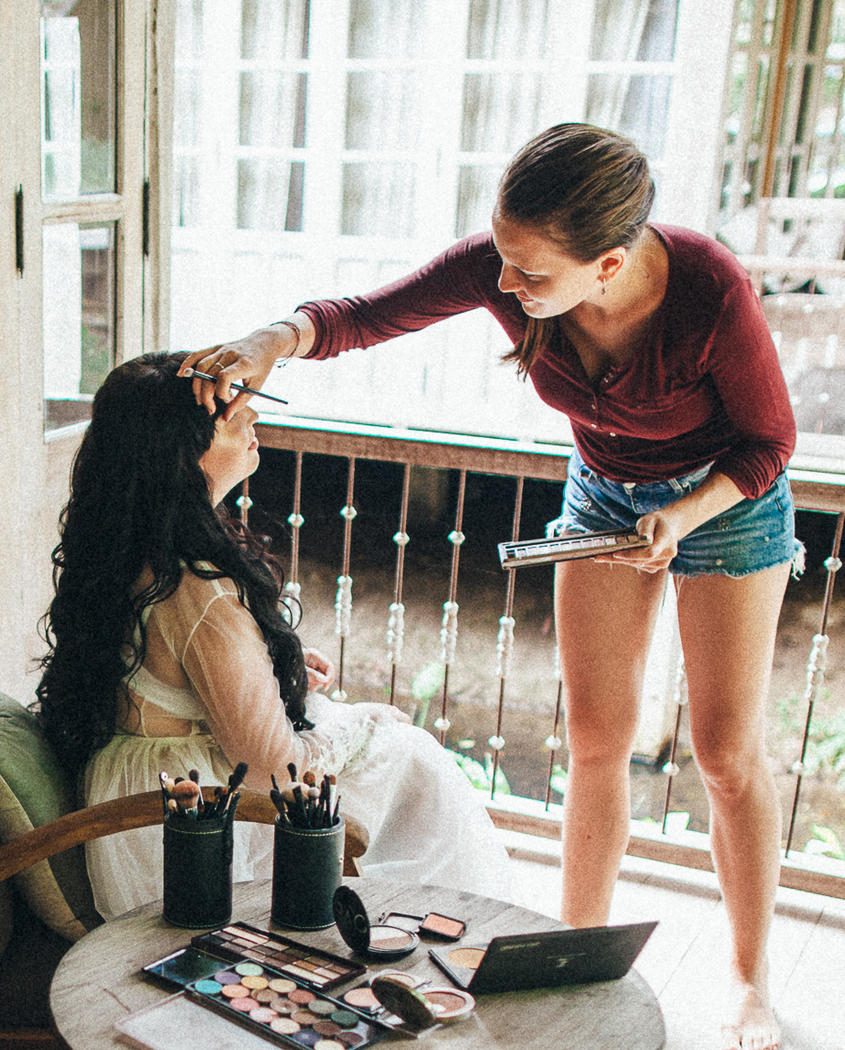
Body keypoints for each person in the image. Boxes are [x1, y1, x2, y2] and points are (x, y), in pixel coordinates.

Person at [179, 123, 800, 1050]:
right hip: (603, 493)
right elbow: (364, 316)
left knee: (722, 753)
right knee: (595, 740)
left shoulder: (707, 290)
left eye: (532, 275)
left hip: (729, 501)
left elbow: (769, 443)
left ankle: (751, 981)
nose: (507, 289)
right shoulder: (513, 265)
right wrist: (273, 339)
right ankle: (573, 953)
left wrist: (685, 515)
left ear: (610, 264)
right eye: (503, 262)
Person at [36, 352, 510, 921]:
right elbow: (275, 771)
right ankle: (435, 936)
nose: (253, 416)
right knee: (410, 756)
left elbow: (166, 675)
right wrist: (370, 718)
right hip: (189, 829)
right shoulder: (199, 589)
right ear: (182, 452)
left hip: (150, 791)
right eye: (232, 415)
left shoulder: (132, 544)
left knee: (392, 754)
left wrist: (261, 667)